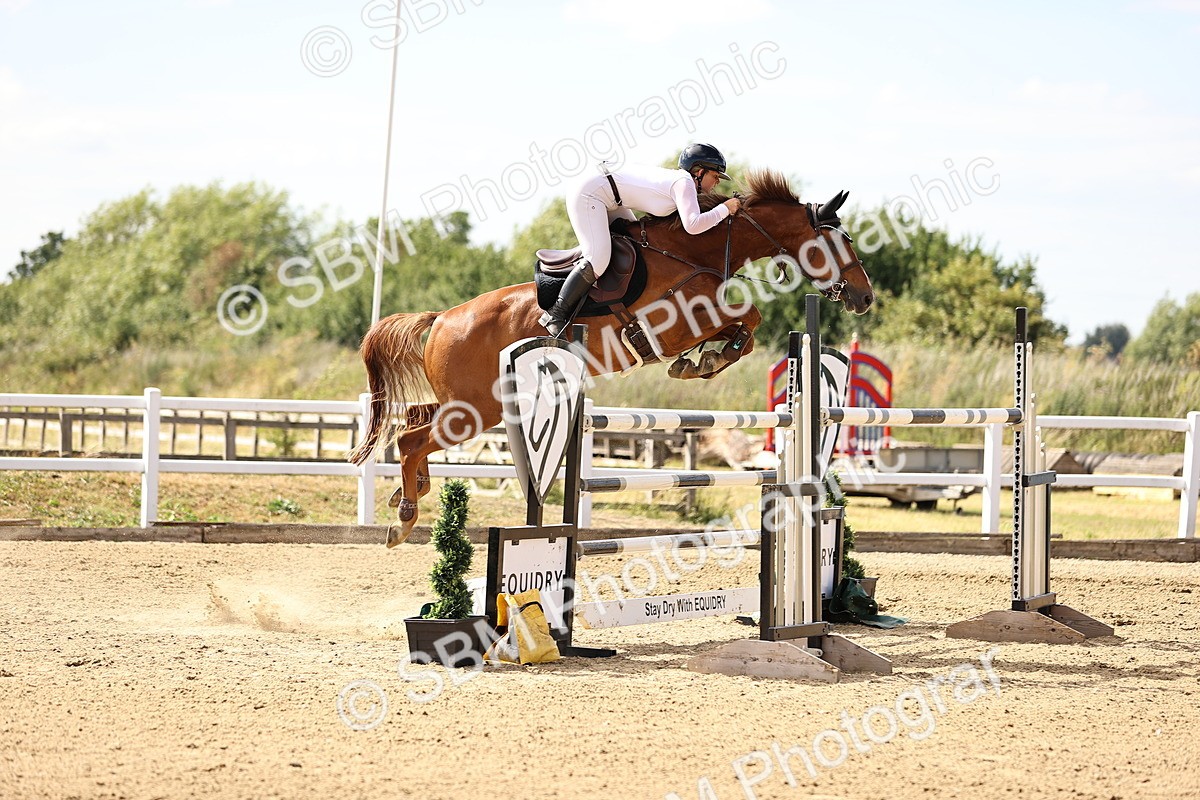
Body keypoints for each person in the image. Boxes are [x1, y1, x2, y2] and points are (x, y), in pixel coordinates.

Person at [539, 142, 741, 337]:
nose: (717, 183)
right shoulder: (685, 182)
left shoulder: (684, 183)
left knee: (639, 249)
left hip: (610, 197)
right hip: (591, 194)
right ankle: (556, 314)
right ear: (699, 172)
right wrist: (726, 208)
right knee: (598, 258)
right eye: (715, 177)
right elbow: (693, 225)